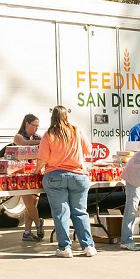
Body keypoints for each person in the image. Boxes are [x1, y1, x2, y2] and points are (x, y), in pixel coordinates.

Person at [36, 106, 96, 258]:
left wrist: (36, 170)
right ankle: (88, 246)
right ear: (66, 116)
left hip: (55, 176)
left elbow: (42, 159)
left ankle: (65, 248)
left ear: (53, 117)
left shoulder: (49, 134)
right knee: (80, 212)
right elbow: (88, 149)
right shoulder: (77, 130)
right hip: (78, 176)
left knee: (61, 213)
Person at [14, 113, 44, 242]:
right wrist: (42, 141)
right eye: (34, 126)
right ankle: (38, 223)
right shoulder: (19, 136)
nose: (36, 129)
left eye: (38, 126)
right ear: (27, 123)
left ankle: (27, 232)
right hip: (23, 175)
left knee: (32, 204)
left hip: (35, 173)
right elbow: (24, 143)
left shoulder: (38, 136)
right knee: (28, 203)